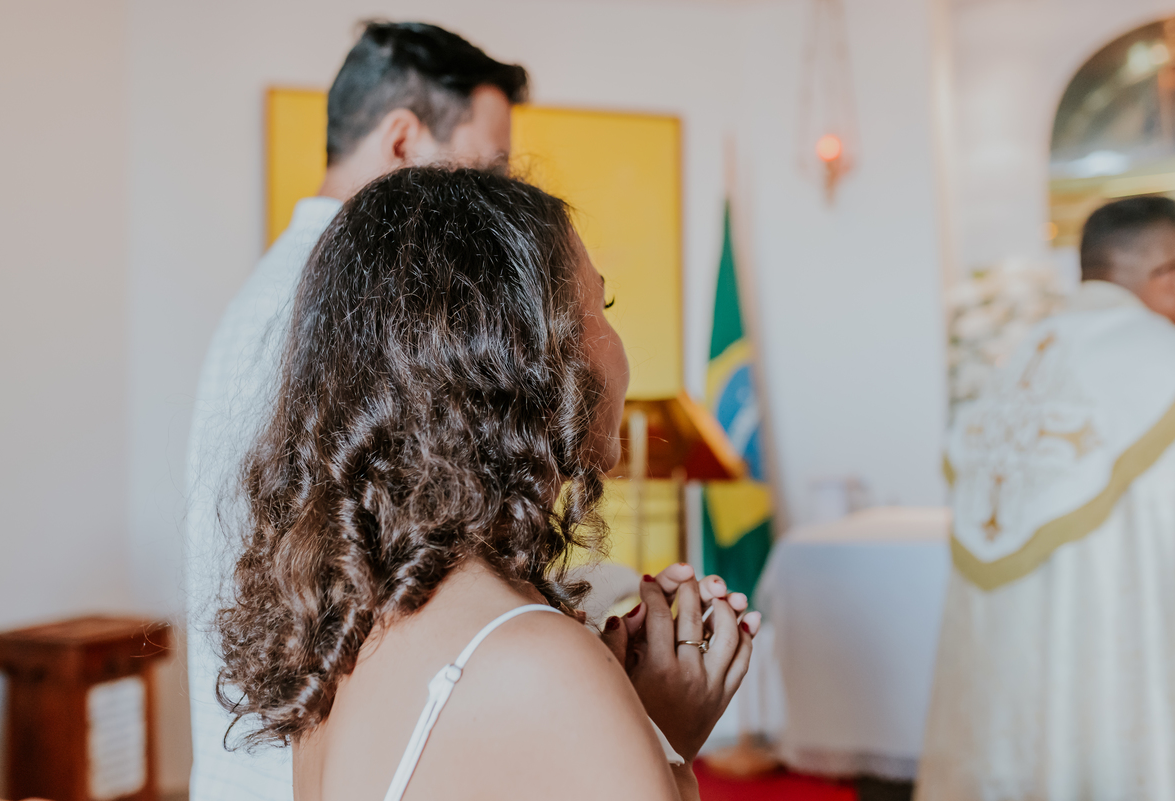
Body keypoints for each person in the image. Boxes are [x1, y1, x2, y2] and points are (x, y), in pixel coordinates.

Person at [185, 21, 754, 801]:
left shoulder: (360, 626)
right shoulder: (539, 667)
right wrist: (652, 734)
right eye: (602, 303)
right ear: (498, 346)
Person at [917, 195, 1175, 800]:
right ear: (1166, 275)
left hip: (1010, 715)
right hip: (1124, 696)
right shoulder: (1173, 363)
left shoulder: (1015, 366)